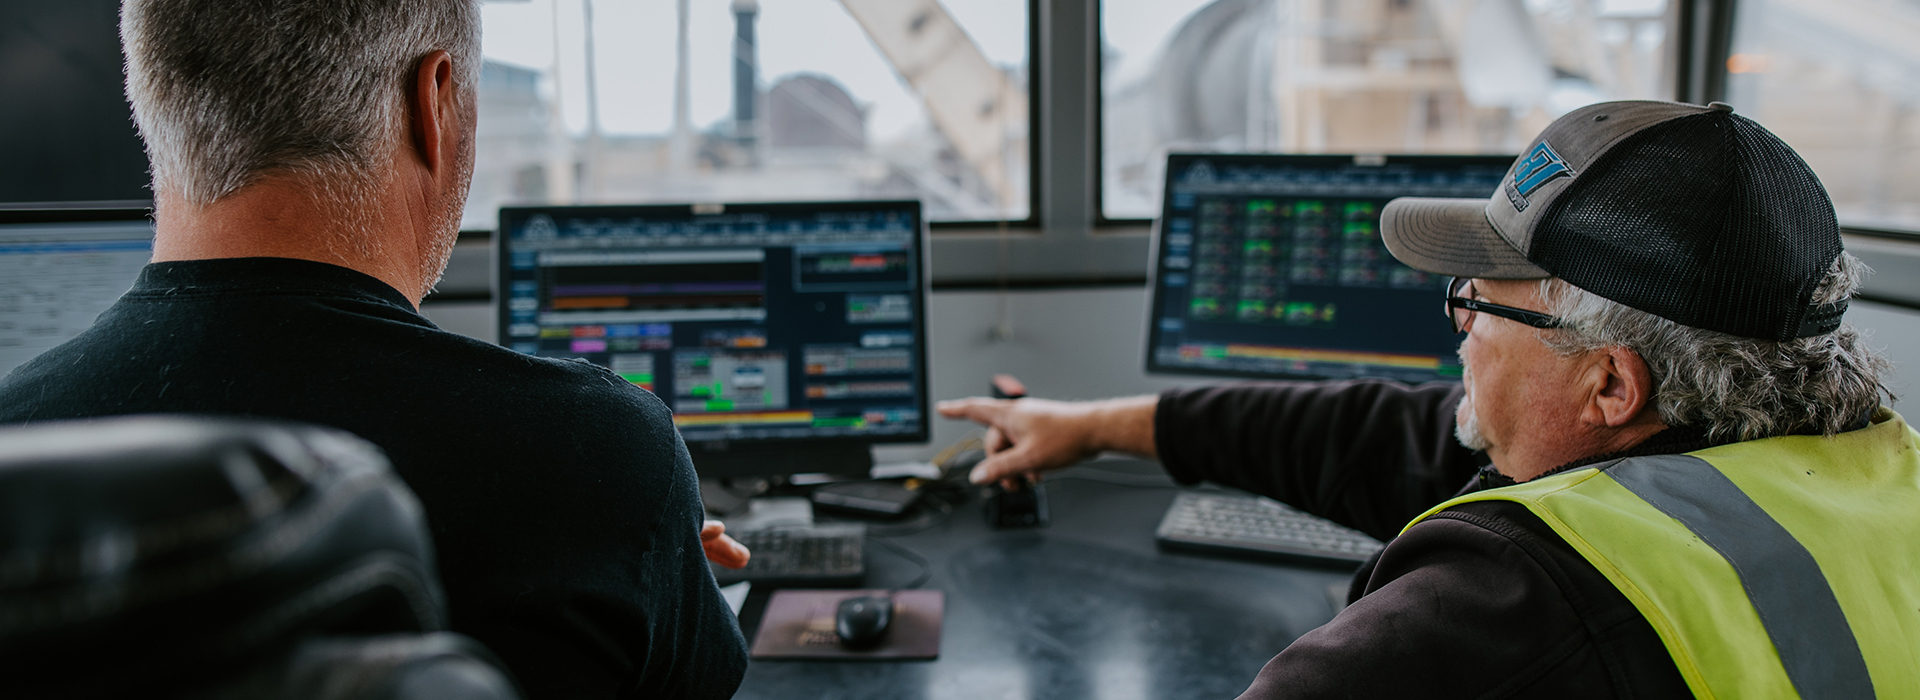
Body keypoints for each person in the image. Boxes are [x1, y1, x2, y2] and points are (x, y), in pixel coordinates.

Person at [941, 100, 1920, 698]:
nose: (1456, 328)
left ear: (1611, 382)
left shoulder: (1523, 598)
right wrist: (1087, 428)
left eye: (1478, 303)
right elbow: (1376, 437)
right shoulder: (1874, 471)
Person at [0, 1, 751, 698]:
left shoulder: (17, 448)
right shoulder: (601, 452)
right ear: (434, 99)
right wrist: (645, 543)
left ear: (152, 101)